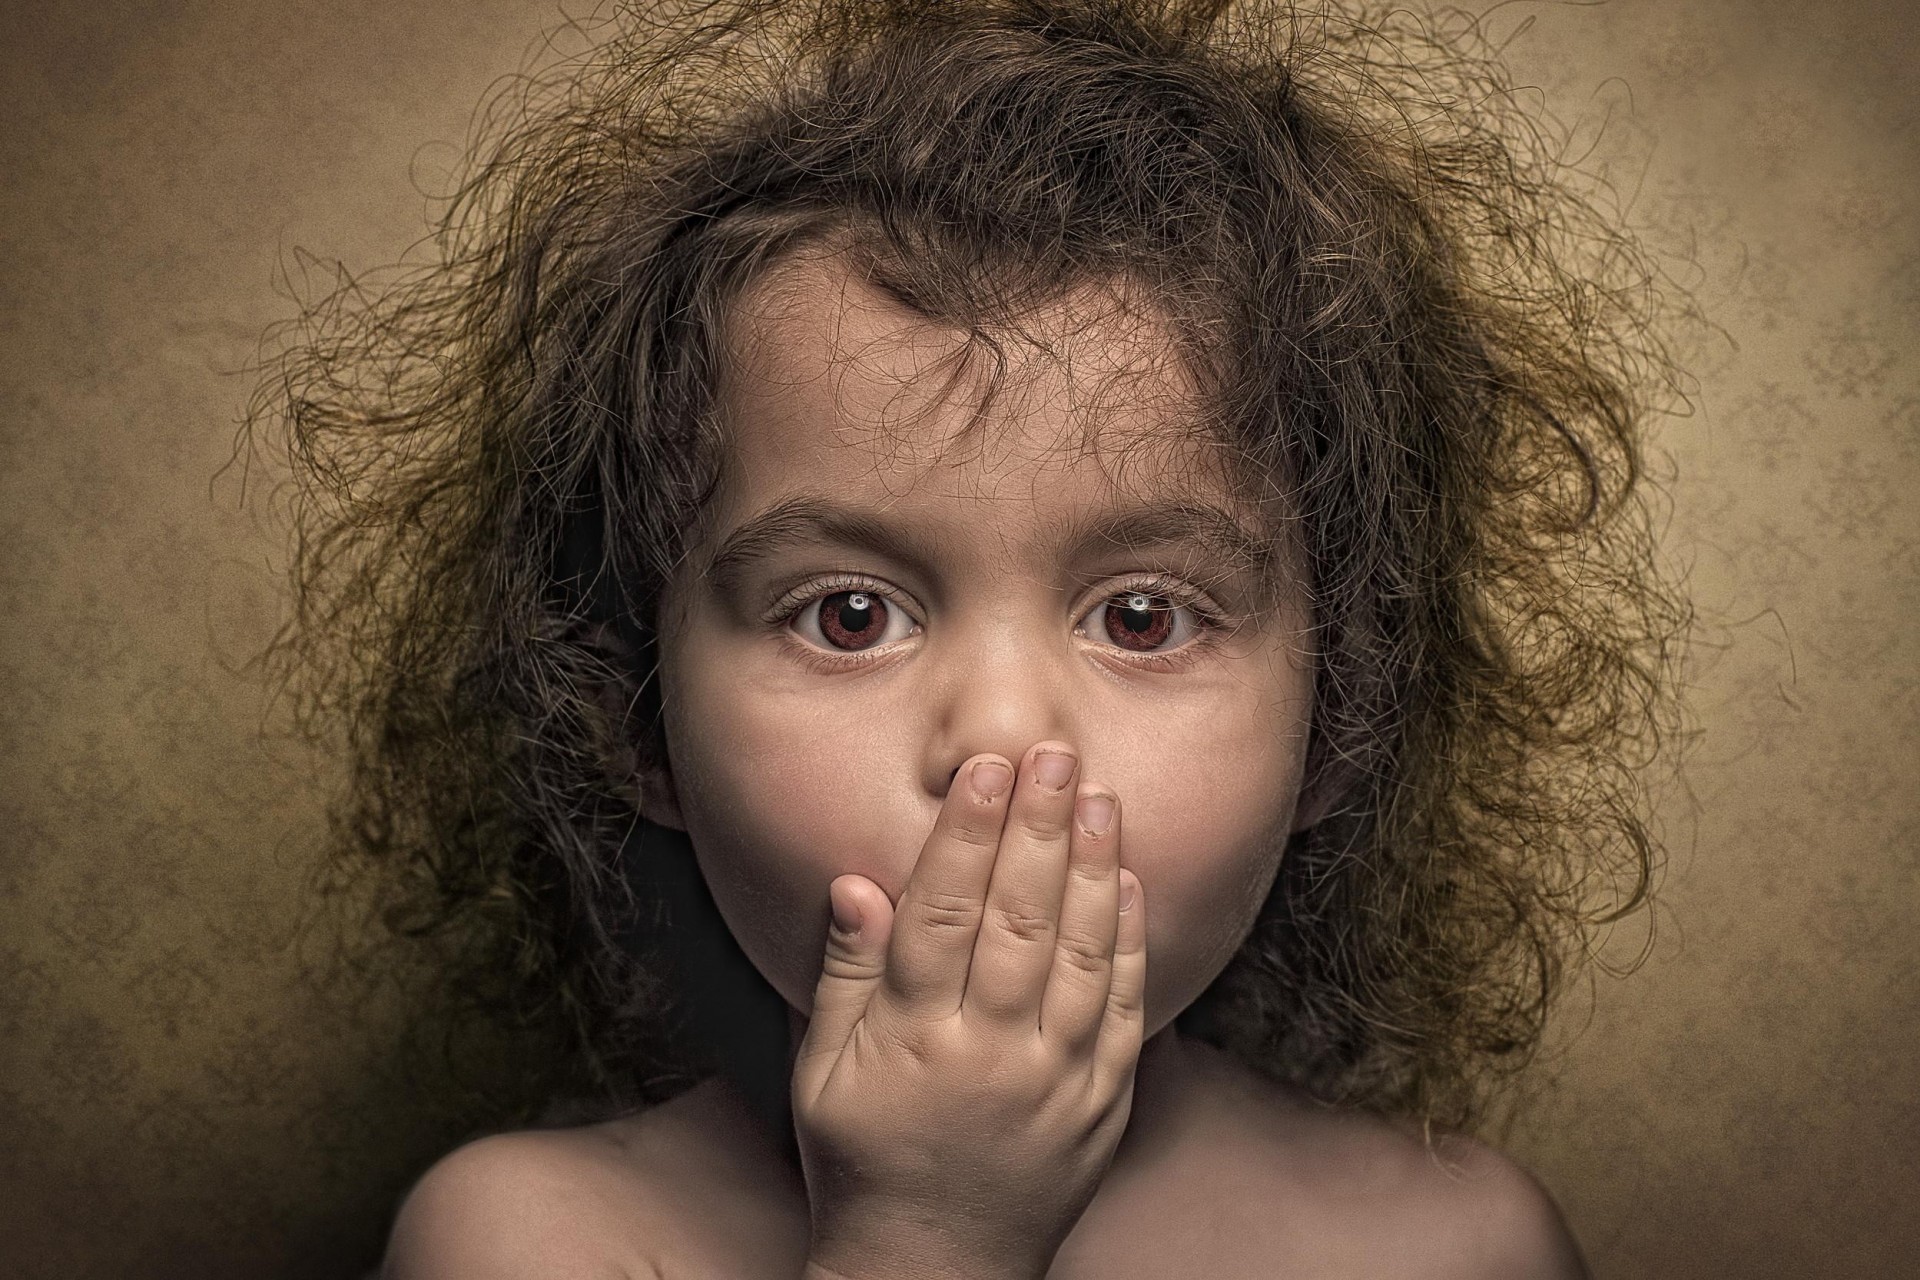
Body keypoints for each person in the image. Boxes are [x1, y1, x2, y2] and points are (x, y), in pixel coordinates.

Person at [258, 0, 1689, 1274]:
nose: (1002, 736)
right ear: (636, 716)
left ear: (1343, 718)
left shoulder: (1456, 1248)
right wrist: (923, 1242)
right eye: (851, 614)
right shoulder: (532, 1240)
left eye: (1142, 616)